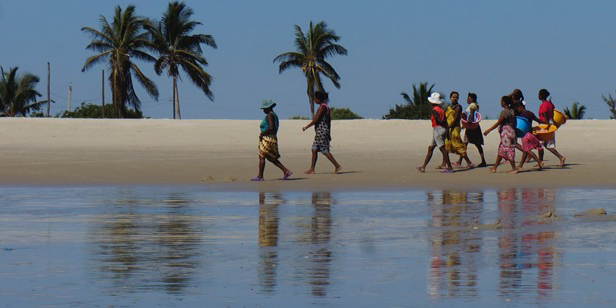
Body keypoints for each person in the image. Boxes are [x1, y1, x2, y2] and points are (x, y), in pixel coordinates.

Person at [302, 91, 342, 174]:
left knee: (324, 150)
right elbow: (329, 121)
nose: (314, 100)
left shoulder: (322, 107)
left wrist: (306, 127)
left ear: (319, 99)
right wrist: (329, 133)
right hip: (322, 131)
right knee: (314, 149)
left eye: (315, 99)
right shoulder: (325, 107)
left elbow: (316, 120)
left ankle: (337, 166)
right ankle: (312, 169)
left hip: (321, 132)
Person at [252, 99, 292, 181]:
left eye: (264, 108)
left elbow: (271, 127)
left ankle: (260, 176)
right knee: (271, 157)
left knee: (262, 156)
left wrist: (262, 133)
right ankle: (286, 171)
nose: (263, 110)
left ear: (268, 108)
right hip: (273, 138)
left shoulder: (269, 115)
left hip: (268, 139)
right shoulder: (274, 115)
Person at [417, 93, 454, 173]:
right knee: (431, 148)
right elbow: (445, 121)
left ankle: (450, 167)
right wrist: (446, 131)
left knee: (442, 149)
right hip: (441, 130)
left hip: (437, 130)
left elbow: (439, 120)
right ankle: (423, 167)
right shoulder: (441, 110)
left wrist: (440, 123)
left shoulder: (434, 110)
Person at [483, 96, 518, 174]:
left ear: (504, 102)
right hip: (512, 131)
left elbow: (498, 122)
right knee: (502, 150)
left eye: (501, 101)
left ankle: (514, 168)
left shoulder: (504, 112)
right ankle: (495, 167)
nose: (500, 103)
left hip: (506, 132)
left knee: (508, 150)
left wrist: (488, 130)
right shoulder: (512, 111)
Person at [444, 91, 474, 168]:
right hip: (448, 128)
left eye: (456, 97)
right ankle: (443, 163)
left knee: (458, 145)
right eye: (453, 97)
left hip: (454, 129)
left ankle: (469, 162)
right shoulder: (449, 107)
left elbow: (456, 118)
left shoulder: (458, 107)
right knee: (446, 146)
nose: (455, 98)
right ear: (450, 98)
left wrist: (449, 126)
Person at [537, 89, 566, 167]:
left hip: (545, 124)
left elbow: (545, 114)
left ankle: (540, 162)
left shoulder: (543, 105)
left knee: (541, 144)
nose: (538, 96)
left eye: (539, 94)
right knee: (547, 144)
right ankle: (560, 157)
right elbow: (552, 111)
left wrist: (546, 125)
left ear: (541, 95)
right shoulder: (549, 103)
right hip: (551, 123)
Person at [458, 92, 487, 167]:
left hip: (471, 127)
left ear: (472, 98)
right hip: (475, 127)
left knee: (465, 144)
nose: (467, 99)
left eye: (468, 98)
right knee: (477, 144)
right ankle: (483, 161)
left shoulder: (472, 105)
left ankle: (460, 161)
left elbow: (472, 113)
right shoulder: (476, 105)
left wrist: (469, 121)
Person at [514, 102, 544, 170]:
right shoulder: (530, 113)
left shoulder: (521, 116)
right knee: (539, 147)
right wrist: (546, 123)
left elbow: (519, 125)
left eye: (518, 109)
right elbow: (538, 120)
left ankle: (539, 162)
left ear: (520, 107)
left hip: (525, 135)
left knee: (526, 150)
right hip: (531, 134)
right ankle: (521, 165)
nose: (518, 110)